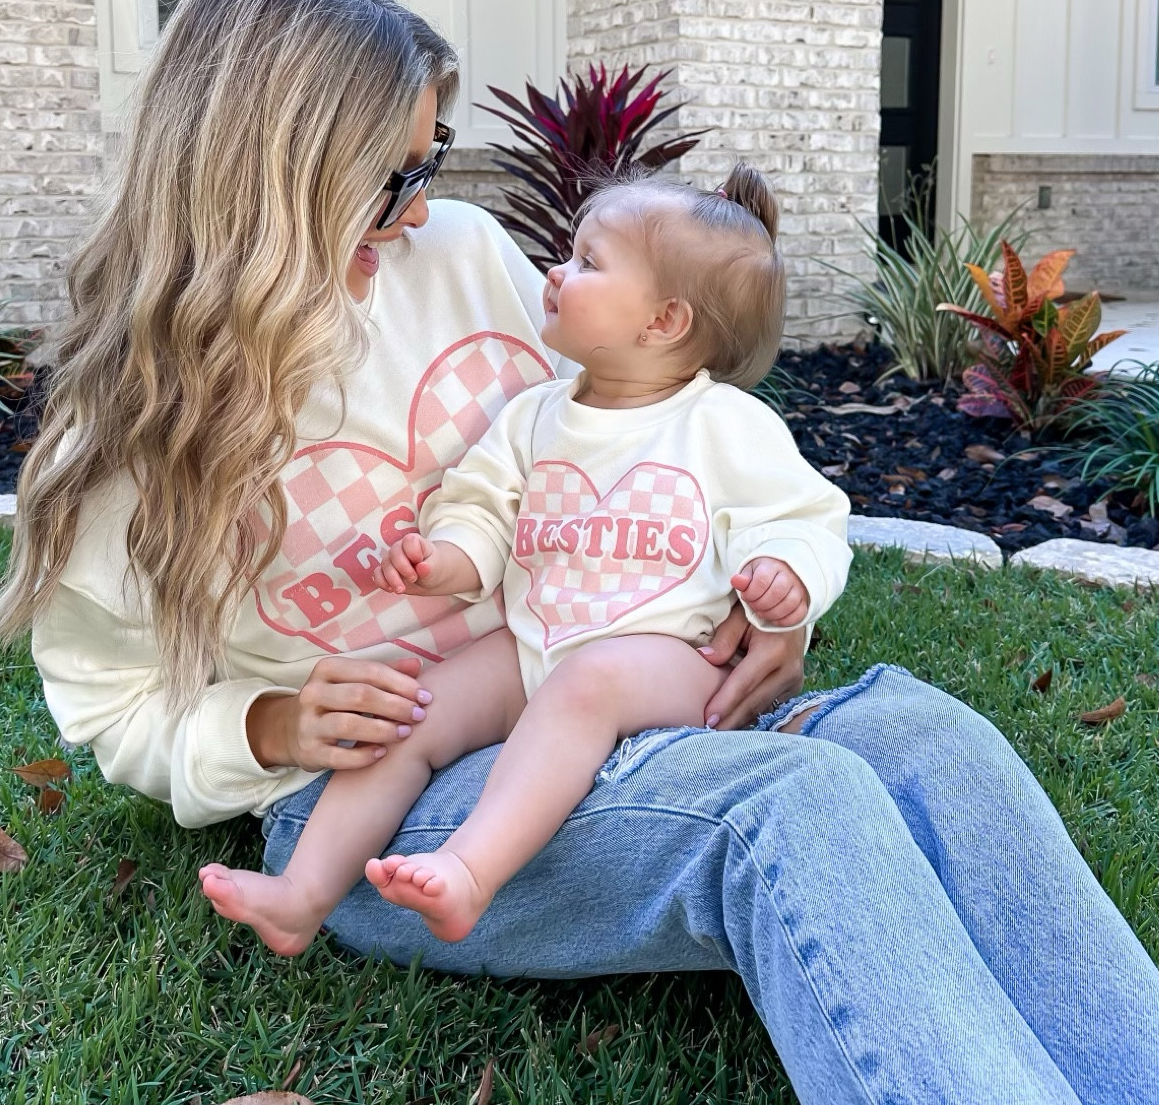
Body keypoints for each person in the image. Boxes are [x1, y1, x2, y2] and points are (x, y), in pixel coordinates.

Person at [0, 0, 1159, 1105]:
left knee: (932, 738)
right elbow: (116, 710)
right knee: (789, 812)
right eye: (387, 180)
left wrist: (763, 610)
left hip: (604, 678)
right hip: (387, 788)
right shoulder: (122, 435)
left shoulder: (464, 262)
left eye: (429, 162)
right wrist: (269, 731)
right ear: (265, 176)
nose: (421, 207)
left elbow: (647, 436)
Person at [198, 163, 851, 952]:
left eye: (587, 263)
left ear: (664, 321)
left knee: (588, 682)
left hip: (672, 663)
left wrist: (788, 576)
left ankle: (470, 873)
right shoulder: (535, 416)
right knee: (412, 710)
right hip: (535, 640)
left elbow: (805, 516)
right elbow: (484, 505)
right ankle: (301, 894)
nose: (556, 272)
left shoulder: (724, 425)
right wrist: (448, 559)